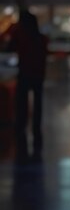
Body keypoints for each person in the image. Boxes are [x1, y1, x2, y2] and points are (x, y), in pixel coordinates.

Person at [6, 10, 48, 163]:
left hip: (25, 73)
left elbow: (8, 47)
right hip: (37, 74)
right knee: (37, 103)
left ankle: (22, 126)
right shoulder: (40, 38)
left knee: (22, 103)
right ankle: (35, 128)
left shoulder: (21, 36)